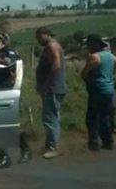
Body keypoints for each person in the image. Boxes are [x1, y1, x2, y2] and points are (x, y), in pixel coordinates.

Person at [0, 31, 32, 168]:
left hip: (8, 92)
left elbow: (10, 63)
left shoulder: (9, 52)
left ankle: (25, 151)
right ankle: (4, 157)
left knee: (12, 125)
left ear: (2, 41)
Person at [81, 34, 116, 151]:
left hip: (97, 89)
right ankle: (108, 142)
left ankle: (94, 143)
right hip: (109, 89)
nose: (88, 46)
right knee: (105, 117)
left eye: (89, 44)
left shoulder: (94, 57)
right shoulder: (109, 55)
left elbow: (84, 73)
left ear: (95, 44)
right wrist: (110, 74)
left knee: (92, 118)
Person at [35, 27, 66, 159]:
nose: (38, 40)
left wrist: (45, 85)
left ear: (46, 34)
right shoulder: (51, 46)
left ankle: (53, 147)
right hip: (53, 87)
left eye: (39, 36)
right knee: (51, 116)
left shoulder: (51, 47)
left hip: (52, 88)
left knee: (50, 118)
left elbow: (56, 65)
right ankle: (50, 145)